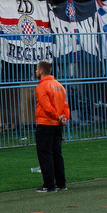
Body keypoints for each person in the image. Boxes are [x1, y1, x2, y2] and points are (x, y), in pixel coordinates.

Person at [33, 60, 70, 193]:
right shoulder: (59, 85)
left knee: (45, 154)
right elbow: (65, 105)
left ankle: (49, 184)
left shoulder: (42, 86)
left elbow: (46, 107)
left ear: (42, 71)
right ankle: (61, 183)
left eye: (37, 69)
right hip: (57, 125)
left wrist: (57, 116)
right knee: (57, 154)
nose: (36, 71)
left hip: (46, 123)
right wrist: (64, 117)